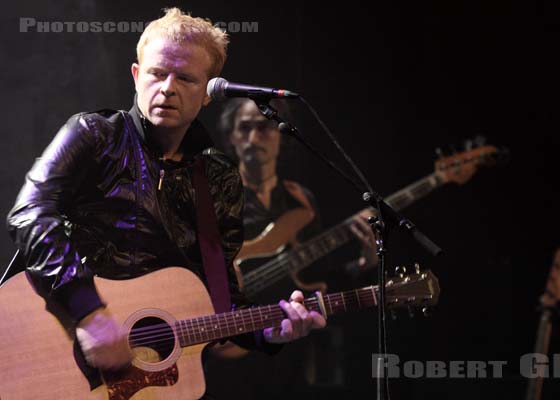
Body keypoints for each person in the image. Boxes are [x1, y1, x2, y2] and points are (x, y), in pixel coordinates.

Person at [5, 7, 325, 399]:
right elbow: (30, 212)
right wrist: (89, 312)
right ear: (137, 76)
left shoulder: (219, 177)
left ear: (208, 93)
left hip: (144, 382)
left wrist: (268, 332)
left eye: (186, 78)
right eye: (157, 73)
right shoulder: (95, 135)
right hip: (56, 341)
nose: (168, 87)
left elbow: (221, 299)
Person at [201, 98, 378, 398]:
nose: (255, 138)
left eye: (265, 127)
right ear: (231, 136)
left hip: (288, 354)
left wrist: (365, 261)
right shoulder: (214, 196)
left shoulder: (301, 200)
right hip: (232, 350)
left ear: (282, 134)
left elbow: (317, 278)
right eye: (244, 128)